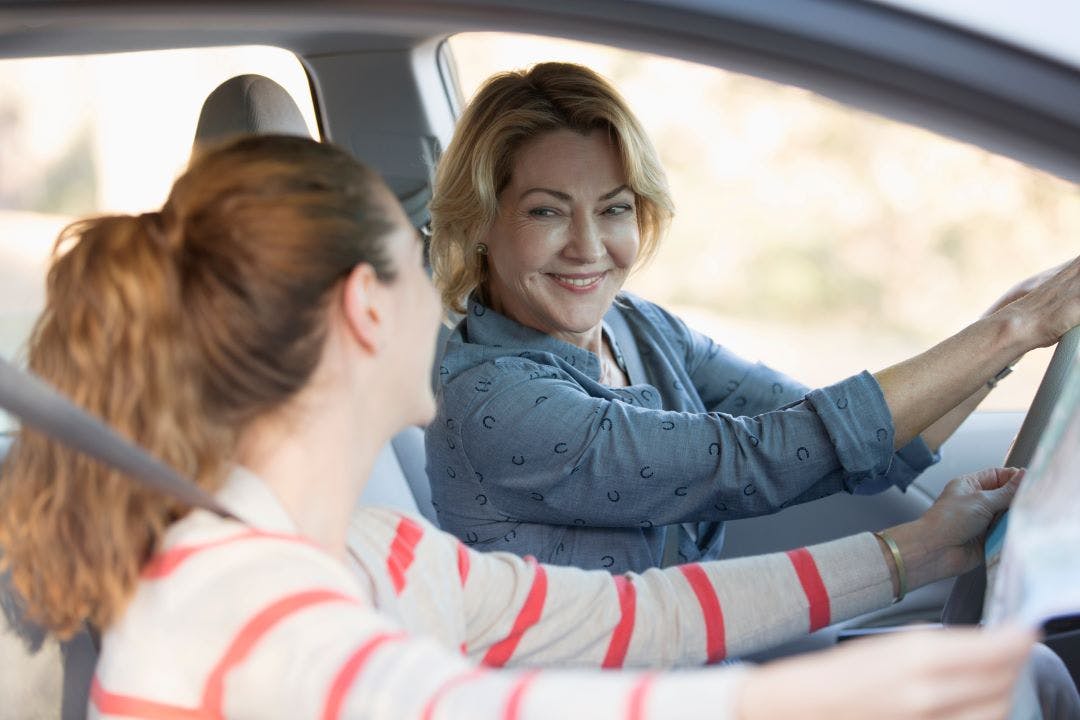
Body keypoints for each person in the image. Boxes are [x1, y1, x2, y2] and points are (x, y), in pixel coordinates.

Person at [0, 135, 1038, 719]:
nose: (441, 301)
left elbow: (643, 619)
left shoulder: (375, 552)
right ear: (369, 306)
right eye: (418, 262)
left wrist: (914, 552)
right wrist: (832, 700)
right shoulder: (237, 606)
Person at [425, 62, 1080, 573]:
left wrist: (1011, 323)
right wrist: (1014, 328)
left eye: (614, 208)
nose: (589, 247)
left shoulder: (639, 329)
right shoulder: (494, 399)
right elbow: (754, 461)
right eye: (547, 210)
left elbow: (855, 442)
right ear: (480, 220)